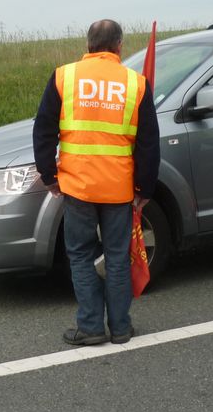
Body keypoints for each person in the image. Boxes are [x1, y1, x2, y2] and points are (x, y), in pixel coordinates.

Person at [33, 19, 160, 345]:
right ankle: (120, 328)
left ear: (88, 45)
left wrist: (49, 175)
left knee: (80, 255)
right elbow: (148, 142)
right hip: (118, 187)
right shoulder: (136, 83)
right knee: (117, 257)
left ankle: (90, 327)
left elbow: (44, 129)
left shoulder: (65, 76)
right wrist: (145, 189)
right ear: (119, 46)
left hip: (77, 186)